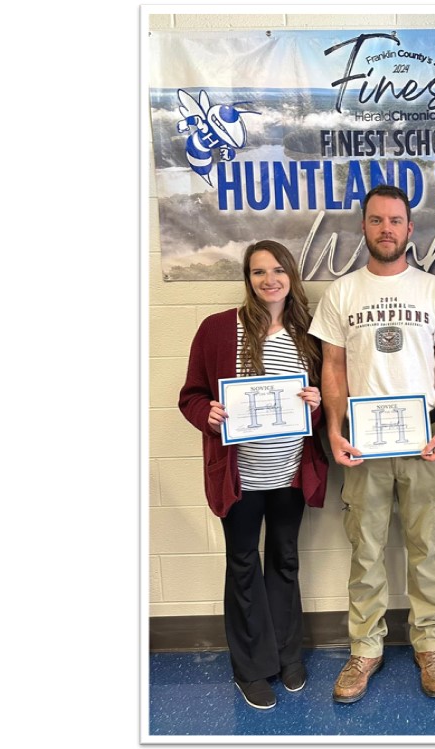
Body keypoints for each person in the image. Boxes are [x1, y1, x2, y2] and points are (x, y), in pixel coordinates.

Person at [309, 183, 435, 703]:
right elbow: (333, 367)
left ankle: (428, 643)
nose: (386, 229)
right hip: (363, 441)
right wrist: (334, 429)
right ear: (364, 227)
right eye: (376, 220)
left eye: (395, 220)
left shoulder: (434, 291)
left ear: (409, 228)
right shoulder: (342, 293)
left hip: (424, 437)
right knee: (367, 549)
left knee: (425, 548)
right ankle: (366, 648)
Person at [177, 240, 328, 711]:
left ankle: (287, 655)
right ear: (247, 279)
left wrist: (318, 406)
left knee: (284, 561)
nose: (269, 280)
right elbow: (191, 396)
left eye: (278, 270)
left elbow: (323, 403)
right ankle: (250, 668)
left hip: (288, 475)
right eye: (259, 272)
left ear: (291, 276)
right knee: (243, 566)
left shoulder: (309, 331)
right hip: (239, 478)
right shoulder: (219, 329)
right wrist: (210, 415)